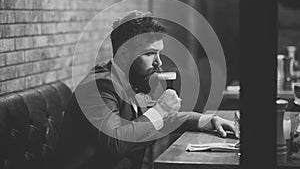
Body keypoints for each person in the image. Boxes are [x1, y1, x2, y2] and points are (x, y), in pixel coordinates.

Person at [54, 11, 238, 169]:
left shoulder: (133, 80)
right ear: (124, 55)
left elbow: (152, 121)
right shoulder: (98, 86)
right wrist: (161, 109)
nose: (159, 62)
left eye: (159, 53)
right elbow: (116, 142)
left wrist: (208, 120)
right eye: (150, 54)